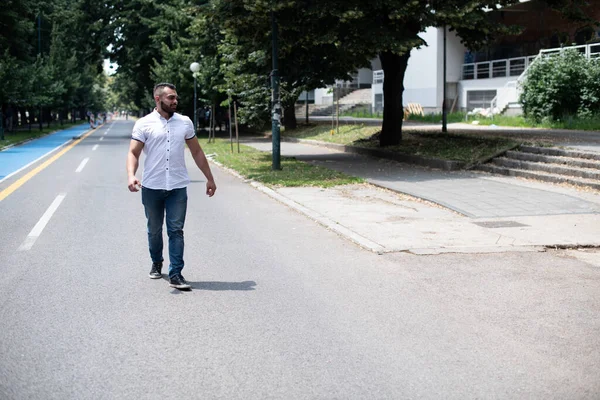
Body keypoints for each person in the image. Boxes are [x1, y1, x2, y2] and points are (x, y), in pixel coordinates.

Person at [126, 82, 217, 290]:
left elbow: (197, 152)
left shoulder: (184, 123)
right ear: (158, 99)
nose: (175, 101)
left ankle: (176, 273)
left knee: (176, 230)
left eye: (176, 98)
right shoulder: (144, 123)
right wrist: (131, 175)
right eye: (171, 98)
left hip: (177, 186)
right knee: (154, 230)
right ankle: (157, 262)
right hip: (152, 186)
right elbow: (133, 153)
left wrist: (209, 178)